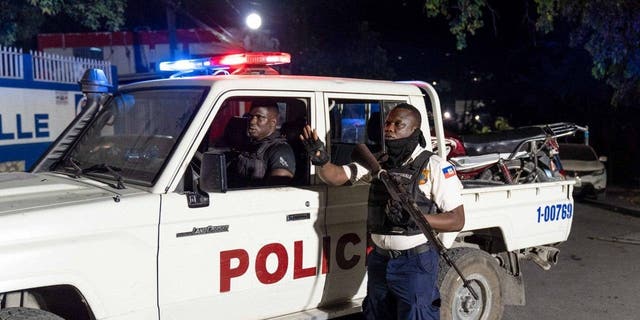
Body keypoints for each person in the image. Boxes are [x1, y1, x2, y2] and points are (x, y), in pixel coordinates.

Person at [300, 103, 465, 320]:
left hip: (414, 262)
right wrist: (321, 159)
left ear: (415, 130)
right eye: (388, 123)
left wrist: (416, 218)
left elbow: (456, 219)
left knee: (416, 315)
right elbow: (337, 176)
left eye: (398, 124)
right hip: (380, 260)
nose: (390, 128)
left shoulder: (434, 166)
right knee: (377, 314)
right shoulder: (379, 162)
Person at [228, 99, 296, 187]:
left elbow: (279, 192)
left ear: (273, 123)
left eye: (260, 117)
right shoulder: (250, 144)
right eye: (250, 116)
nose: (252, 122)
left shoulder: (280, 150)